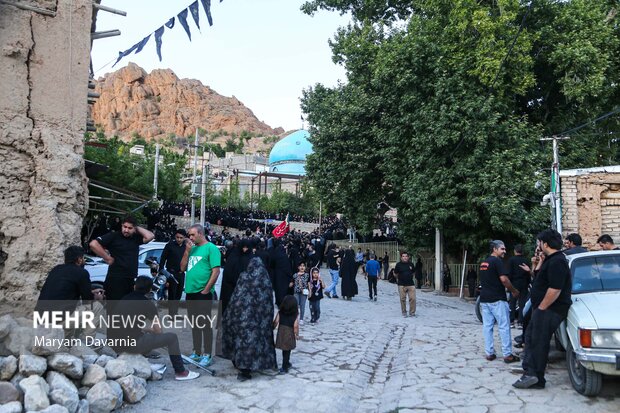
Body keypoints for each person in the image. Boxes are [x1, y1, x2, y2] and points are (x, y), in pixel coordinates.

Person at [513, 230, 573, 389]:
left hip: (550, 309)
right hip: (544, 308)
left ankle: (534, 375)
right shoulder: (550, 259)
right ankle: (531, 373)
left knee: (538, 341)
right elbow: (540, 278)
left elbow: (555, 289)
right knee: (532, 338)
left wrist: (541, 308)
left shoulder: (558, 261)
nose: (538, 245)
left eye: (539, 242)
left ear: (545, 243)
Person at [108, 276, 199, 380]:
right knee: (171, 338)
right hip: (131, 343)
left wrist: (144, 329)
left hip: (113, 342)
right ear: (150, 290)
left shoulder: (124, 298)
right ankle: (181, 372)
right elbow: (158, 331)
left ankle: (140, 362)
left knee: (142, 335)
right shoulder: (148, 304)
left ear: (134, 287)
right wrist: (150, 330)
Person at [222, 258, 277, 381]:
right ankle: (253, 366)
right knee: (256, 342)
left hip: (242, 318)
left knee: (242, 342)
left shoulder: (244, 277)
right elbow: (268, 303)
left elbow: (236, 296)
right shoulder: (266, 280)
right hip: (258, 321)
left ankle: (242, 367)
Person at [35, 246, 105, 339]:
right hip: (60, 319)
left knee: (70, 307)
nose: (84, 261)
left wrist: (91, 292)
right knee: (97, 307)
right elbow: (87, 301)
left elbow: (64, 291)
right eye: (83, 258)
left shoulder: (56, 269)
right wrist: (97, 297)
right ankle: (87, 343)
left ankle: (66, 341)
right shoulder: (82, 272)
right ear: (79, 259)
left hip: (40, 318)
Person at [180, 224, 221, 367]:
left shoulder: (211, 248)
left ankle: (208, 354)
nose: (190, 238)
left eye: (192, 235)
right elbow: (182, 268)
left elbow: (216, 271)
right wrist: (186, 251)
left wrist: (206, 290)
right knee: (195, 324)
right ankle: (196, 352)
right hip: (190, 292)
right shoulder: (192, 249)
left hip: (202, 293)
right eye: (189, 235)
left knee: (205, 324)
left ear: (201, 234)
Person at [89, 215, 154, 301]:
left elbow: (150, 236)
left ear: (134, 229)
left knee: (127, 309)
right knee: (114, 308)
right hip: (116, 278)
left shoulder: (135, 238)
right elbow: (93, 244)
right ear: (121, 226)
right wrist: (107, 258)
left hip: (130, 279)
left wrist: (136, 227)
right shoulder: (114, 236)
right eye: (125, 227)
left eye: (130, 228)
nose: (126, 230)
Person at [479, 240, 520, 363]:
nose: (504, 251)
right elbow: (504, 279)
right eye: (502, 249)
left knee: (487, 327)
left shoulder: (484, 262)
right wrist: (513, 290)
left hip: (484, 300)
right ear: (494, 249)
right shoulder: (497, 261)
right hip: (497, 299)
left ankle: (489, 353)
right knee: (504, 326)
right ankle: (507, 355)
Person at [159, 229, 187, 317]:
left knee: (179, 294)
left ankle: (175, 313)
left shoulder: (186, 247)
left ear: (184, 238)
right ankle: (171, 314)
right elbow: (163, 258)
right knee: (172, 294)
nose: (179, 239)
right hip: (171, 273)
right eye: (177, 237)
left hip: (181, 273)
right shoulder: (170, 245)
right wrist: (162, 271)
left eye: (181, 238)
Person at [273, 295, 299, 374]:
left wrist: (272, 328)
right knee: (287, 351)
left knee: (284, 350)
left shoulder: (280, 312)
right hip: (289, 334)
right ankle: (285, 367)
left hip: (281, 333)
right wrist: (296, 334)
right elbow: (295, 326)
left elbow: (276, 321)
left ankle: (286, 363)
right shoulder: (295, 315)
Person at [508, 245, 530, 326]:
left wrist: (509, 285)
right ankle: (520, 321)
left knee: (512, 303)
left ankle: (511, 321)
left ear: (515, 251)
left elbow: (509, 273)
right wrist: (528, 283)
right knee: (522, 303)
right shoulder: (526, 260)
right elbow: (528, 274)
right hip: (524, 284)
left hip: (514, 284)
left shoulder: (511, 260)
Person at [270, 238, 293, 306]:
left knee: (278, 289)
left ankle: (278, 302)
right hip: (285, 275)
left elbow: (272, 264)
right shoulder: (285, 255)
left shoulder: (275, 253)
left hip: (277, 274)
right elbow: (288, 267)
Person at [394, 252, 416, 317]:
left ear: (408, 257)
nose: (405, 257)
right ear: (401, 257)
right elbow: (395, 274)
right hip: (401, 284)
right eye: (403, 256)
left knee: (413, 298)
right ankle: (404, 312)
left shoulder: (411, 264)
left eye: (406, 256)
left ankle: (412, 312)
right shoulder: (398, 265)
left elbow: (413, 272)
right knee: (402, 299)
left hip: (410, 284)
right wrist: (399, 279)